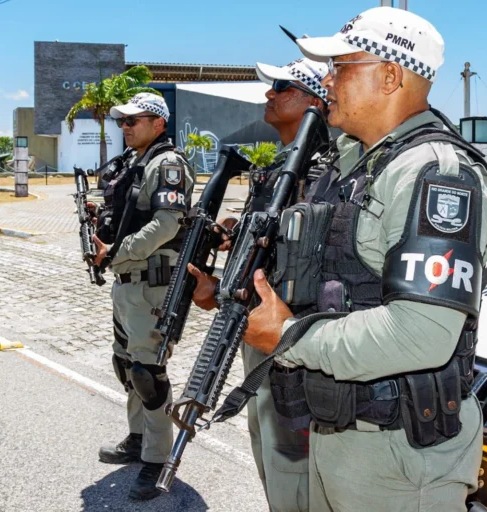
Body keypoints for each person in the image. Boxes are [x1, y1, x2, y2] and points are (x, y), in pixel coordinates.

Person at [241, 7, 487, 512]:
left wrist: (288, 337)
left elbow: (420, 335)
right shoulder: (360, 163)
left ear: (391, 75)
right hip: (343, 427)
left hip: (398, 456)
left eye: (341, 67)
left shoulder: (434, 174)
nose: (327, 80)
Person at [189, 58, 330, 512]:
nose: (269, 95)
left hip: (298, 342)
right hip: (257, 334)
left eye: (282, 87)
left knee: (296, 465)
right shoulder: (274, 172)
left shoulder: (331, 174)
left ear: (313, 100)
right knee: (268, 450)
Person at [92, 92, 195, 501]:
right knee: (126, 364)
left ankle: (157, 461)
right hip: (127, 283)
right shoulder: (135, 164)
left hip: (151, 282)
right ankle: (137, 440)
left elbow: (168, 223)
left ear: (159, 123)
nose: (125, 126)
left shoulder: (167, 164)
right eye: (122, 120)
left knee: (148, 375)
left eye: (134, 119)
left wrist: (118, 251)